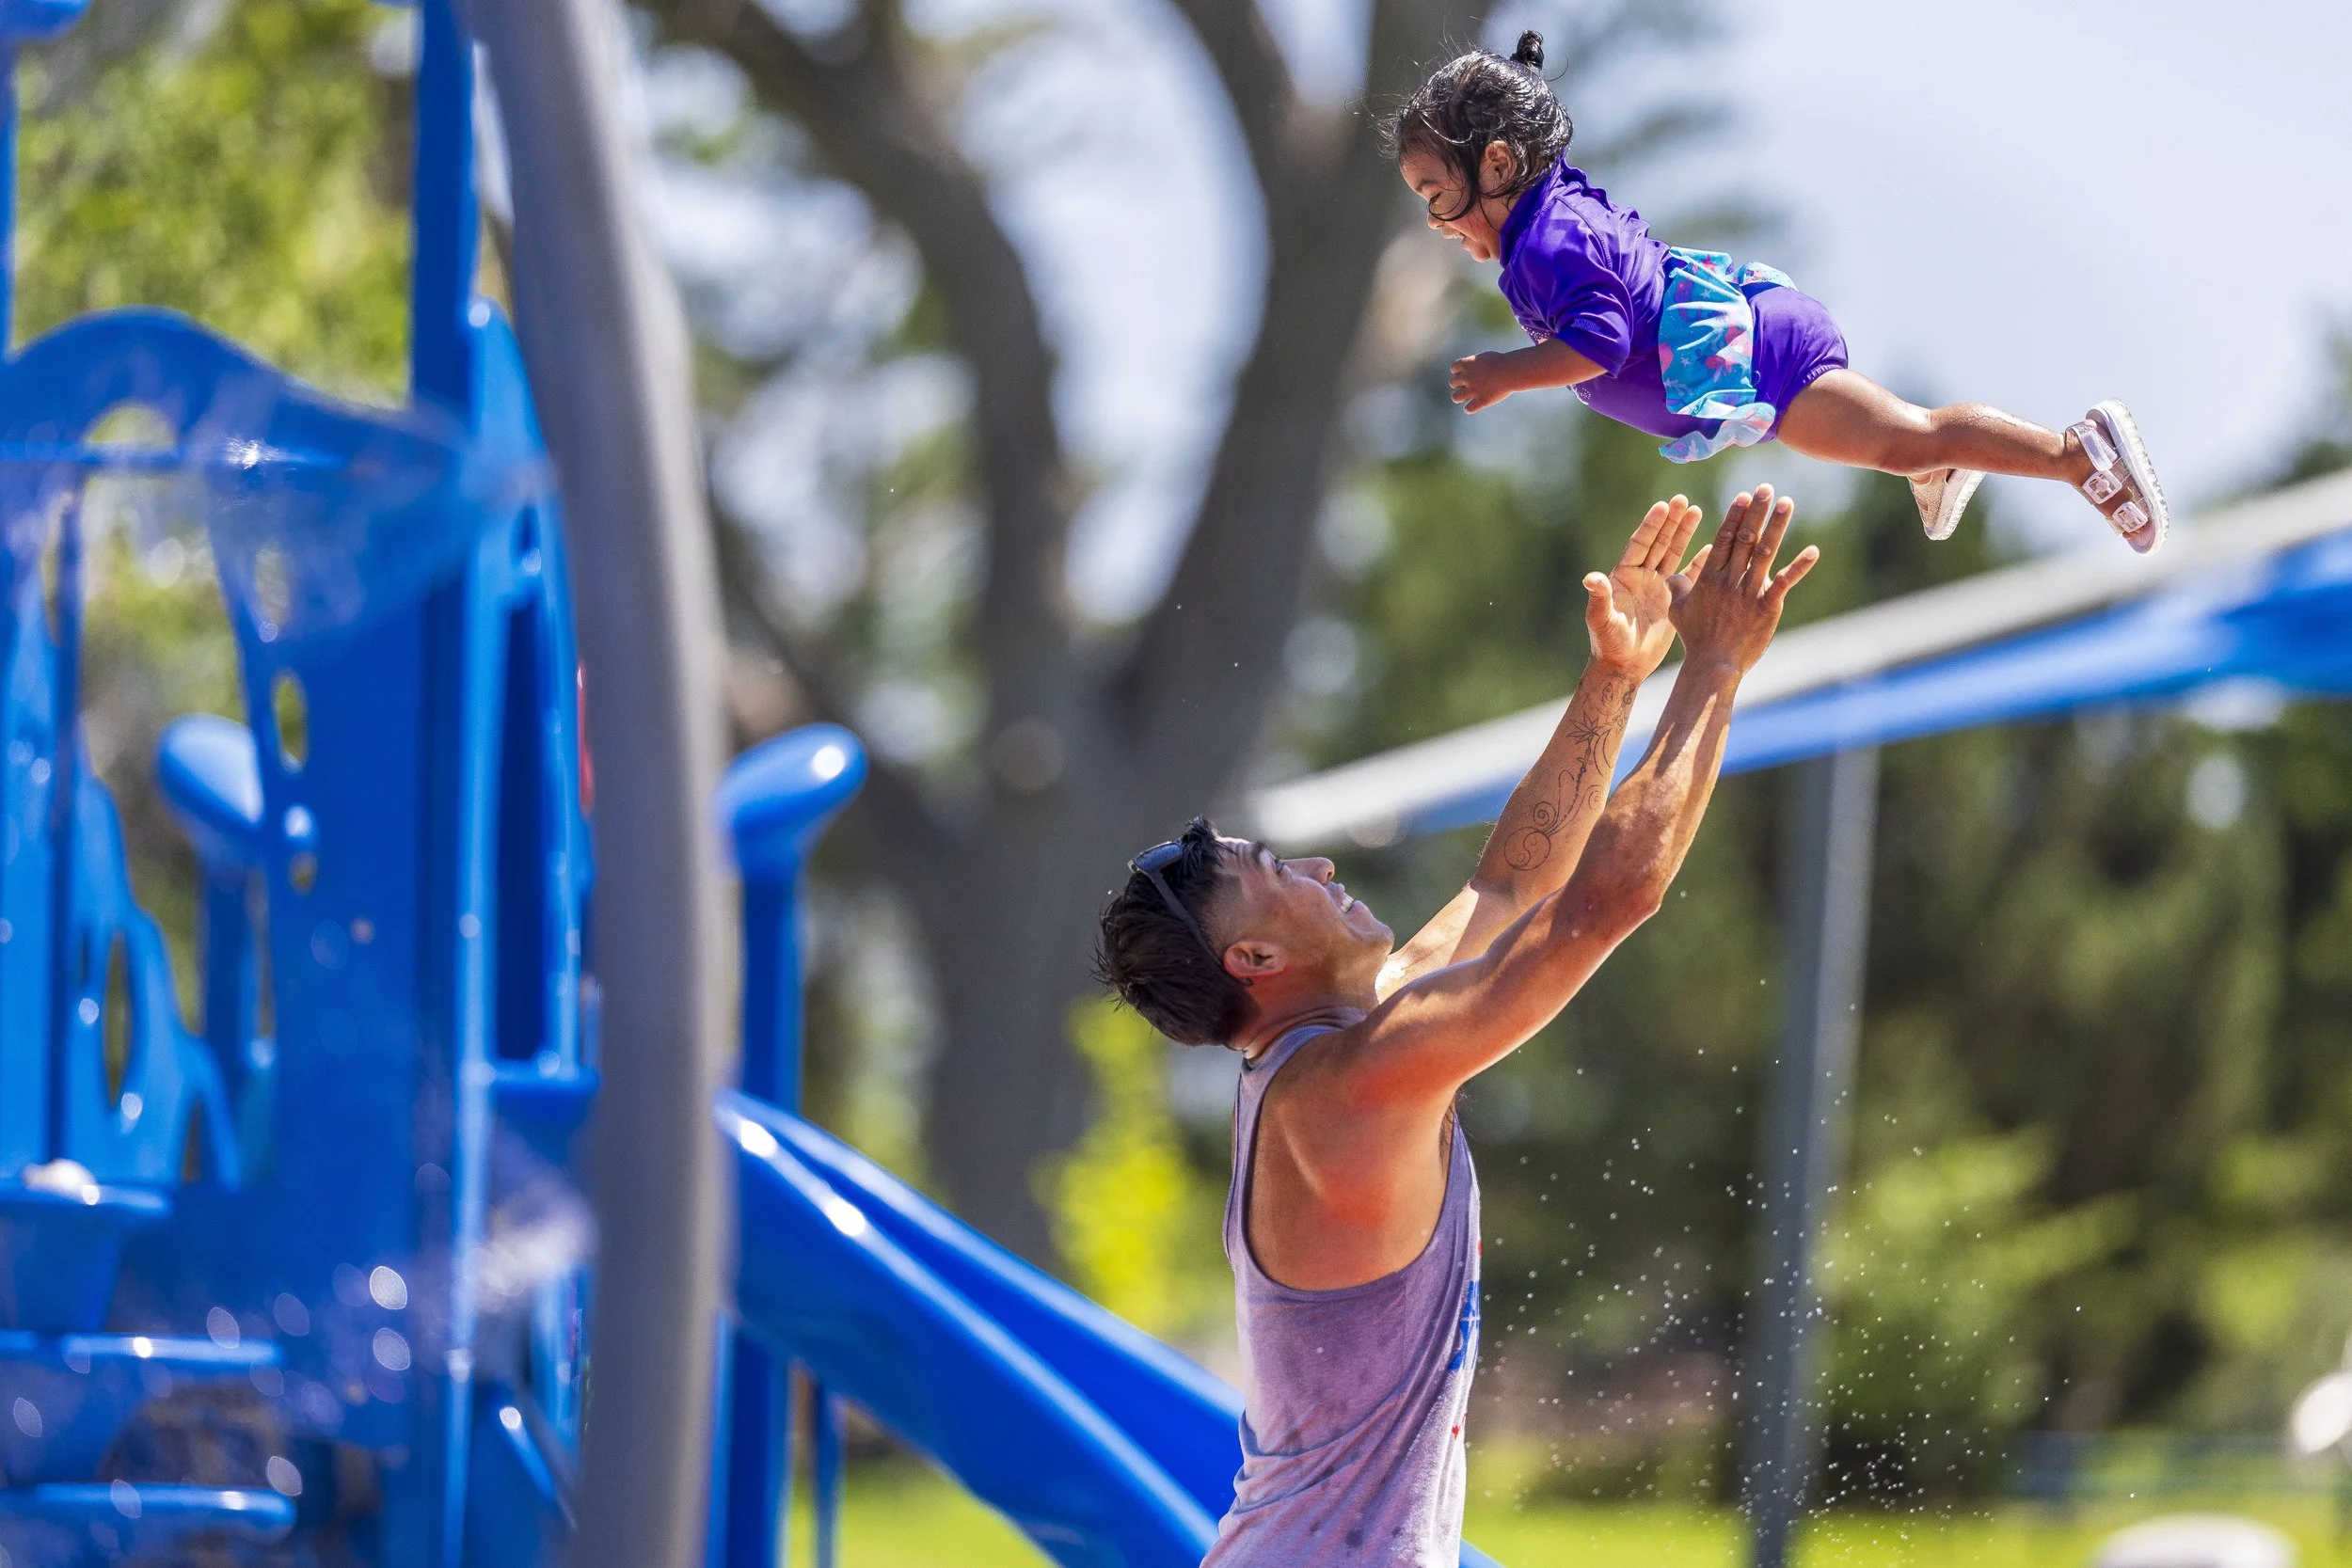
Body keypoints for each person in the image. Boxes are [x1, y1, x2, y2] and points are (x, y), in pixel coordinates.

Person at [1095, 486, 1817, 1566]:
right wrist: (1712, 670)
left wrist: (1617, 678)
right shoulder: (1349, 1085)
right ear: (1254, 961)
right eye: (1281, 873)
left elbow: (1508, 887)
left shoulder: (1334, 1047)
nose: (1323, 868)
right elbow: (1598, 908)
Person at [1391, 33, 2169, 555]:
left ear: (1496, 165)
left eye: (1435, 193)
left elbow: (1603, 342)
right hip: (1747, 344)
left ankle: (2078, 451)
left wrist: (1506, 373)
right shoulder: (1544, 218)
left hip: (1760, 360)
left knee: (1916, 433)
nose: (1433, 220)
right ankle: (1934, 470)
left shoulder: (1544, 242)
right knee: (1906, 442)